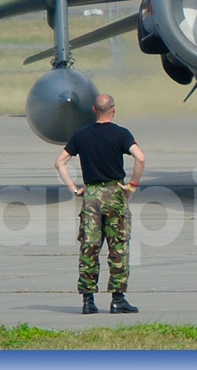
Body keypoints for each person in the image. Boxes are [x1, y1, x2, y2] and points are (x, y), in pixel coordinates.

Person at [54, 93, 146, 315]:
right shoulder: (122, 134)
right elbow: (140, 158)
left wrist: (75, 189)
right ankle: (117, 299)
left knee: (90, 247)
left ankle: (88, 300)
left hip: (92, 195)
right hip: (115, 193)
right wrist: (132, 185)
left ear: (94, 110)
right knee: (118, 247)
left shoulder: (81, 135)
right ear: (113, 109)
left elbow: (60, 162)